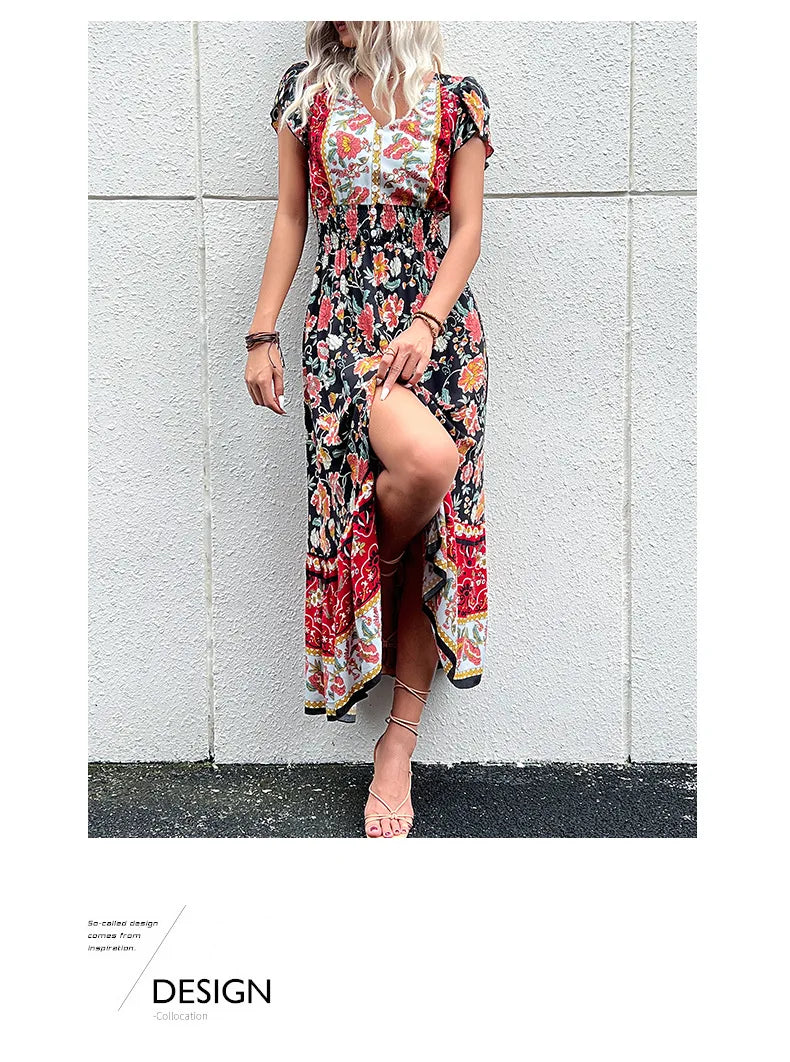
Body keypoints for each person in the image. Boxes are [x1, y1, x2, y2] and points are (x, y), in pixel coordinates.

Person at [245, 20, 494, 838]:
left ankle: (397, 747)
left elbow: (467, 230)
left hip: (439, 336)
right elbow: (292, 219)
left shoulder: (457, 102)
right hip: (344, 324)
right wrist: (261, 332)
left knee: (436, 525)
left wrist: (426, 323)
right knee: (425, 468)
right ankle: (377, 575)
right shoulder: (306, 93)